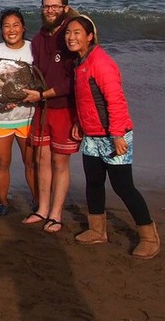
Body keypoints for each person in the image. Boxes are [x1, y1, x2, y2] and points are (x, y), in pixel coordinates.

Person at [66, 15, 159, 259]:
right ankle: (97, 230)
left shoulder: (101, 63)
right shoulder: (80, 62)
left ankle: (149, 236)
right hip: (92, 136)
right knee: (94, 183)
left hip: (113, 135)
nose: (71, 37)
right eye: (68, 33)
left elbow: (115, 101)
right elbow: (85, 99)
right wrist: (79, 122)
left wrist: (117, 135)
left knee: (123, 186)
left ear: (89, 36)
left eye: (77, 32)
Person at [21, 0, 78, 233]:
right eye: (46, 6)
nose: (50, 10)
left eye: (55, 6)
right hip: (41, 109)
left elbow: (72, 80)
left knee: (59, 162)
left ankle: (56, 214)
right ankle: (42, 208)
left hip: (64, 108)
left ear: (65, 8)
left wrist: (43, 95)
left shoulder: (71, 36)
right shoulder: (39, 38)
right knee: (41, 160)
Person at [0, 8, 36, 216]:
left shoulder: (35, 50)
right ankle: (3, 202)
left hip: (28, 117)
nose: (11, 30)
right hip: (0, 118)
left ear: (23, 28)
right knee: (2, 162)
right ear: (1, 30)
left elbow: (42, 82)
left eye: (16, 25)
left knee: (31, 163)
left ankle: (38, 201)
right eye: (7, 26)